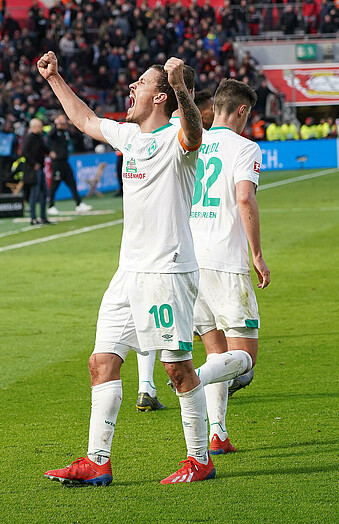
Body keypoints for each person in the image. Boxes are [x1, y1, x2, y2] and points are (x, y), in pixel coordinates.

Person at [38, 51, 215, 485]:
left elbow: (193, 130)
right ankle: (97, 460)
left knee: (176, 370)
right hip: (128, 272)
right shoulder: (131, 137)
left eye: (140, 83)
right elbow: (86, 120)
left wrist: (179, 87)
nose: (131, 88)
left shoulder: (178, 135)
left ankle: (200, 459)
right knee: (101, 362)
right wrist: (55, 78)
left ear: (160, 96)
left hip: (167, 271)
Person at [190, 79, 270, 454]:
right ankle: (191, 379)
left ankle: (217, 433)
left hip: (190, 261)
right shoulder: (246, 147)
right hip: (225, 260)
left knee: (217, 351)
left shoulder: (192, 140)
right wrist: (256, 253)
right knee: (245, 359)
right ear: (242, 110)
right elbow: (244, 198)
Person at [135, 64, 197, 413]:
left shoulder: (170, 131)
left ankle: (147, 385)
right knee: (187, 341)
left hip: (169, 245)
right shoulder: (167, 131)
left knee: (160, 333)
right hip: (180, 245)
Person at [47, 114, 92, 215]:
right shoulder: (55, 132)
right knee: (54, 185)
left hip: (65, 162)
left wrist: (72, 125)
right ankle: (51, 206)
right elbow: (49, 136)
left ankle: (79, 204)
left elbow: (78, 136)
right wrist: (56, 125)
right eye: (61, 119)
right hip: (57, 163)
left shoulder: (66, 132)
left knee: (72, 183)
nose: (63, 121)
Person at [21, 118, 52, 226]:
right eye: (39, 126)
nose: (41, 128)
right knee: (34, 194)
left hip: (40, 168)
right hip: (33, 170)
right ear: (34, 127)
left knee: (44, 193)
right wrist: (34, 164)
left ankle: (43, 217)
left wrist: (50, 152)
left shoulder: (39, 137)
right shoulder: (29, 138)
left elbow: (43, 148)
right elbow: (24, 152)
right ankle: (33, 218)